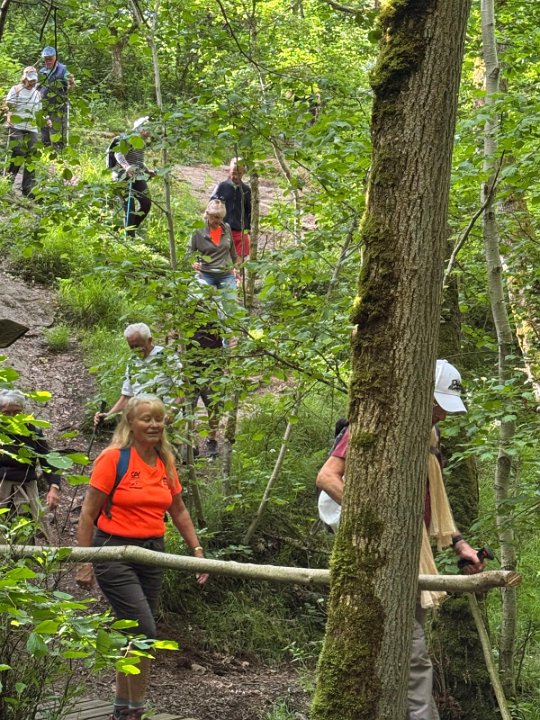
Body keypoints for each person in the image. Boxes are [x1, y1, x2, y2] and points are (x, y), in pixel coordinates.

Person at [316, 359, 485, 720]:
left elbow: (433, 497)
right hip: (378, 551)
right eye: (438, 405)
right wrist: (375, 520)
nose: (442, 414)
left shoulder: (429, 436)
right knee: (414, 649)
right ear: (421, 395)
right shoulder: (376, 422)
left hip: (412, 550)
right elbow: (327, 477)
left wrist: (459, 544)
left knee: (406, 645)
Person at [76, 394, 208, 720]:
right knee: (145, 632)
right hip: (113, 551)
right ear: (130, 423)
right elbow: (88, 513)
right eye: (146, 419)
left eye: (158, 419)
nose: (153, 425)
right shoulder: (113, 459)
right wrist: (84, 562)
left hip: (152, 553)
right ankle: (135, 710)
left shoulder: (164, 461)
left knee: (135, 634)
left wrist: (197, 550)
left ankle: (123, 708)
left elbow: (178, 509)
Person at [94, 323, 182, 426]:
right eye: (132, 347)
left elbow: (183, 390)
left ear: (149, 340)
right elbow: (127, 397)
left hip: (170, 424)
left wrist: (172, 412)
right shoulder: (132, 362)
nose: (135, 350)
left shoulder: (167, 357)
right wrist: (108, 416)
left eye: (138, 346)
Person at [0, 389, 61, 533]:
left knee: (27, 533)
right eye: (7, 413)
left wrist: (54, 487)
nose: (12, 417)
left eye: (17, 412)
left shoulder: (32, 431)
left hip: (26, 489)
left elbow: (48, 458)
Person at [185, 322, 225, 458]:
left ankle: (211, 440)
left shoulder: (217, 312)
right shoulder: (184, 313)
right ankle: (191, 444)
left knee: (215, 406)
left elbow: (230, 335)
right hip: (189, 366)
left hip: (213, 365)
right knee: (188, 407)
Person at [112, 117, 155, 238]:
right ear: (140, 129)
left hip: (137, 175)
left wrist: (148, 171)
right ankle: (129, 237)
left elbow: (138, 161)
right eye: (148, 129)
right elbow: (118, 154)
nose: (150, 132)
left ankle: (129, 231)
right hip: (122, 176)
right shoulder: (129, 138)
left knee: (146, 203)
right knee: (129, 206)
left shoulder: (141, 143)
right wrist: (127, 167)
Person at [4, 66, 42, 198]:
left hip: (31, 127)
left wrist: (46, 119)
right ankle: (8, 181)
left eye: (34, 80)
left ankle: (28, 188)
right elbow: (9, 107)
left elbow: (39, 111)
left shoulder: (37, 93)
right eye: (30, 80)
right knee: (19, 151)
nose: (32, 83)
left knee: (33, 154)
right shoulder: (16, 89)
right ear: (24, 78)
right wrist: (9, 117)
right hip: (16, 125)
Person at [210, 158, 251, 260]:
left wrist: (247, 229)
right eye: (234, 173)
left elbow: (249, 212)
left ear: (244, 172)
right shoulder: (221, 187)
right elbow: (211, 207)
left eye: (239, 173)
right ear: (229, 171)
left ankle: (237, 270)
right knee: (217, 257)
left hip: (239, 231)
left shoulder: (246, 190)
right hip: (220, 228)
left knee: (240, 259)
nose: (236, 176)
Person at [38, 46, 74, 149]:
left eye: (50, 58)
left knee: (57, 132)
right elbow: (38, 88)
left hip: (58, 107)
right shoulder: (42, 71)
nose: (48, 61)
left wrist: (71, 82)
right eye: (46, 59)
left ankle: (58, 153)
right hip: (44, 106)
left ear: (55, 57)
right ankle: (46, 152)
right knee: (44, 131)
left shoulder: (62, 69)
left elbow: (70, 86)